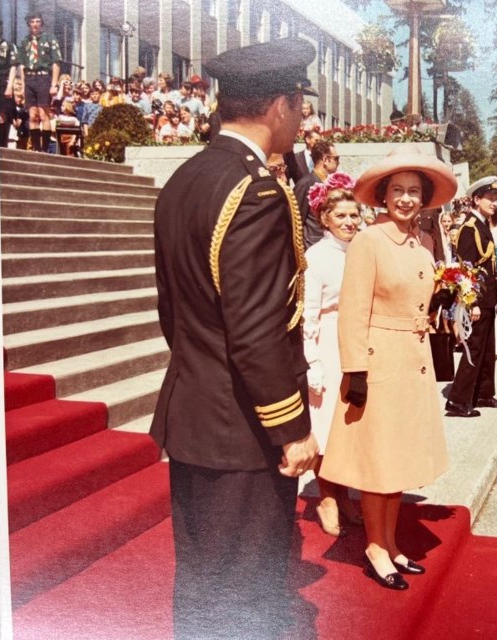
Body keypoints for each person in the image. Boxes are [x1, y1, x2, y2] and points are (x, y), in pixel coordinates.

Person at [150, 38, 320, 640]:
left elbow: (175, 311)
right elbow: (257, 330)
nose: (303, 122)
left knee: (201, 582)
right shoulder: (255, 192)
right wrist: (292, 427)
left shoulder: (185, 179)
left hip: (196, 414)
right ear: (281, 104)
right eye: (301, 107)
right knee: (247, 591)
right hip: (244, 429)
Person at [320, 144, 457, 591]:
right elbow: (353, 310)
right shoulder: (369, 240)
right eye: (397, 190)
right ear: (382, 196)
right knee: (379, 464)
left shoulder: (424, 241)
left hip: (412, 363)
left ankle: (392, 542)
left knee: (398, 462)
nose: (405, 199)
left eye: (413, 191)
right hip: (379, 365)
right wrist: (355, 371)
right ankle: (376, 547)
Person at [302, 171, 365, 537]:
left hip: (355, 340)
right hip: (326, 341)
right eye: (340, 216)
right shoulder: (317, 256)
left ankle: (343, 492)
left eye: (354, 215)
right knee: (325, 423)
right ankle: (326, 496)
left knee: (349, 423)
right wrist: (311, 361)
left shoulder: (362, 249)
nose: (348, 222)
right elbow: (308, 314)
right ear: (325, 219)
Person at [444, 176, 497, 418]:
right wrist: (470, 302)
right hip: (478, 300)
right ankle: (458, 400)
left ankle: (483, 393)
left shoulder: (483, 225)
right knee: (473, 348)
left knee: (487, 349)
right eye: (490, 198)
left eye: (496, 198)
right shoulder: (470, 228)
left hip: (489, 297)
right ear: (476, 199)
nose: (495, 202)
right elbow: (466, 270)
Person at [19, 13, 61, 153]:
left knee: (44, 115)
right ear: (29, 24)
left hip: (43, 78)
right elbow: (22, 66)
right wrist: (24, 86)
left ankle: (44, 149)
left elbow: (56, 63)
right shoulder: (25, 41)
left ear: (41, 23)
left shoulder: (49, 38)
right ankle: (36, 148)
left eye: (38, 21)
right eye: (32, 21)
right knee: (32, 115)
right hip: (30, 78)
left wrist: (54, 84)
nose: (35, 24)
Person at [294, 139, 340, 249]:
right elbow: (296, 219)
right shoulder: (306, 184)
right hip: (312, 245)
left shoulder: (328, 182)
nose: (338, 162)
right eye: (336, 158)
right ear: (325, 160)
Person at [0, 20, 19, 147]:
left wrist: (9, 86)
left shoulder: (8, 45)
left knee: (2, 116)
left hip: (3, 82)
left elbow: (13, 67)